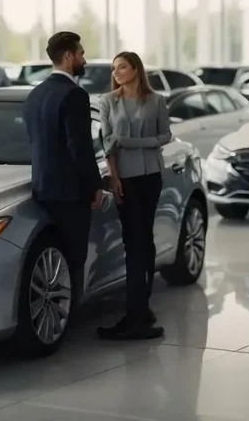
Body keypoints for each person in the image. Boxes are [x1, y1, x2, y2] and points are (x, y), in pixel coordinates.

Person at [24, 31, 104, 309]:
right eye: (81, 53)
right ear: (69, 56)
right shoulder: (74, 94)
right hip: (71, 193)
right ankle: (70, 317)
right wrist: (95, 186)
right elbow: (79, 148)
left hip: (42, 188)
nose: (84, 58)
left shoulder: (35, 94)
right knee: (73, 258)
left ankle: (53, 313)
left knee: (51, 259)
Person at [96, 51, 171, 340]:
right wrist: (114, 178)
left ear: (136, 69)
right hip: (124, 179)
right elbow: (107, 143)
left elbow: (165, 136)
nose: (116, 72)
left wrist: (133, 142)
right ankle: (136, 312)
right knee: (133, 243)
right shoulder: (107, 101)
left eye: (122, 67)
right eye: (114, 68)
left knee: (144, 241)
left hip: (150, 176)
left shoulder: (156, 100)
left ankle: (140, 309)